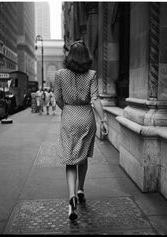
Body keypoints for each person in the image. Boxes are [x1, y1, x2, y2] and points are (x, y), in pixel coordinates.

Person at [54, 40, 108, 221]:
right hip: (86, 117)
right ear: (87, 57)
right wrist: (104, 119)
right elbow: (95, 98)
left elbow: (58, 99)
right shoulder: (91, 74)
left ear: (70, 56)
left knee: (70, 159)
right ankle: (81, 189)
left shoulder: (60, 74)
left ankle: (71, 196)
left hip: (69, 117)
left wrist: (68, 108)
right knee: (82, 156)